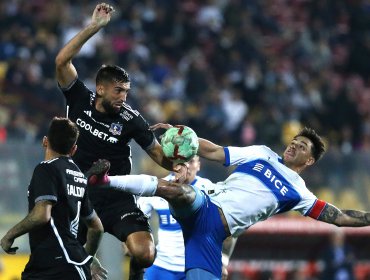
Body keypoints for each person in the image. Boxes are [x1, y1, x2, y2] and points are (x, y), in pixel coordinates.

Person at [86, 124, 370, 280]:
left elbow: (339, 216)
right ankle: (106, 180)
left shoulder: (300, 192)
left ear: (308, 161)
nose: (294, 144)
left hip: (212, 236)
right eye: (295, 140)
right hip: (206, 206)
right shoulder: (261, 153)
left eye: (302, 146)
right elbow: (215, 152)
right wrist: (185, 136)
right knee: (177, 190)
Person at [55, 3, 184, 279]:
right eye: (118, 91)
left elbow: (159, 156)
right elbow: (61, 62)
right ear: (100, 88)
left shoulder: (131, 119)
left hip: (116, 197)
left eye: (126, 91)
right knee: (68, 266)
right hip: (78, 195)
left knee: (145, 253)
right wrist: (95, 27)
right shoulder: (79, 98)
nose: (123, 97)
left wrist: (178, 158)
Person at [0, 117, 107, 280]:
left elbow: (42, 214)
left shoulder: (46, 168)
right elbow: (96, 227)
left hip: (54, 266)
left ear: (45, 141)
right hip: (64, 263)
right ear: (74, 149)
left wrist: (10, 235)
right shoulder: (78, 176)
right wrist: (86, 259)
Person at [137, 155, 237, 280]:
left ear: (198, 165)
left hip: (197, 267)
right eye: (182, 162)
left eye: (191, 161)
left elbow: (231, 225)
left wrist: (224, 260)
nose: (187, 166)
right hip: (161, 267)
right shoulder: (158, 187)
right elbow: (137, 220)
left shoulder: (210, 190)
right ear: (174, 165)